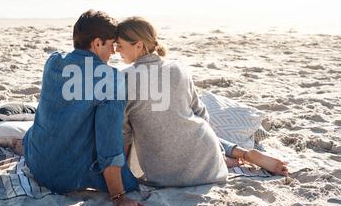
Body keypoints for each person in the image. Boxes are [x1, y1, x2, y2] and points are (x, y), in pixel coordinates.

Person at [115, 16, 288, 187]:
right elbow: (201, 113)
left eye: (120, 45)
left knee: (154, 127)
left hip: (163, 176)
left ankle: (232, 156)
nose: (116, 51)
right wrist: (216, 152)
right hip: (208, 163)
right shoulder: (178, 67)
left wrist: (121, 177)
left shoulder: (123, 78)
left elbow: (124, 134)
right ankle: (239, 154)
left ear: (138, 45)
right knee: (186, 122)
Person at [13, 10, 148, 206]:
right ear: (97, 43)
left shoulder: (54, 61)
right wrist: (119, 196)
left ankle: (23, 145)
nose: (113, 51)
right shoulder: (110, 79)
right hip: (65, 178)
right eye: (111, 44)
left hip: (37, 162)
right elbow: (109, 144)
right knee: (135, 177)